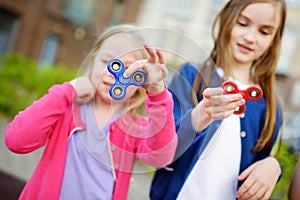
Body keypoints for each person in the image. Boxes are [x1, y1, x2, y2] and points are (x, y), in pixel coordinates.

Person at [5, 24, 178, 200]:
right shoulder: (66, 108)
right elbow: (16, 140)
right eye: (106, 61)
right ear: (93, 60)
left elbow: (160, 157)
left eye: (128, 69)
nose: (113, 74)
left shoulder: (135, 127)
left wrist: (157, 92)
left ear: (140, 82)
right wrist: (67, 91)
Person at [150, 0, 286, 199]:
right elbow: (161, 150)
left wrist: (274, 166)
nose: (250, 37)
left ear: (274, 40)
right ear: (226, 19)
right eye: (242, 23)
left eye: (264, 32)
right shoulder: (191, 76)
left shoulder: (270, 106)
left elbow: (259, 168)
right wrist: (198, 118)